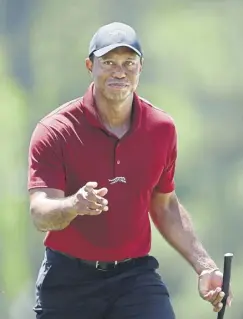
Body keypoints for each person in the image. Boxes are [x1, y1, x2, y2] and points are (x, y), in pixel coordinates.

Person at [27, 22, 232, 319]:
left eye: (128, 63)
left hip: (134, 279)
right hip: (68, 281)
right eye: (108, 62)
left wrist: (205, 266)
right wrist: (74, 205)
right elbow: (40, 214)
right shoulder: (55, 130)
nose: (119, 71)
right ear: (90, 66)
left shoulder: (161, 129)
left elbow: (165, 205)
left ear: (140, 67)